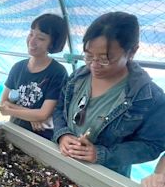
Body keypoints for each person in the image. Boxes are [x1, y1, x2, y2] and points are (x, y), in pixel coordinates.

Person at [52, 11, 165, 177]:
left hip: (107, 176)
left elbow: (153, 144)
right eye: (89, 56)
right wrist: (63, 134)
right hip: (63, 164)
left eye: (105, 59)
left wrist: (101, 154)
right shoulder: (77, 78)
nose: (94, 65)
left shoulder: (149, 97)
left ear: (131, 52)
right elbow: (59, 109)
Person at [0, 14, 68, 140]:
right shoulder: (17, 68)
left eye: (41, 38)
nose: (32, 41)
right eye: (31, 34)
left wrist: (12, 110)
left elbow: (43, 114)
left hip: (40, 139)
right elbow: (3, 103)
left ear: (53, 44)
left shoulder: (58, 72)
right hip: (14, 132)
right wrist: (30, 115)